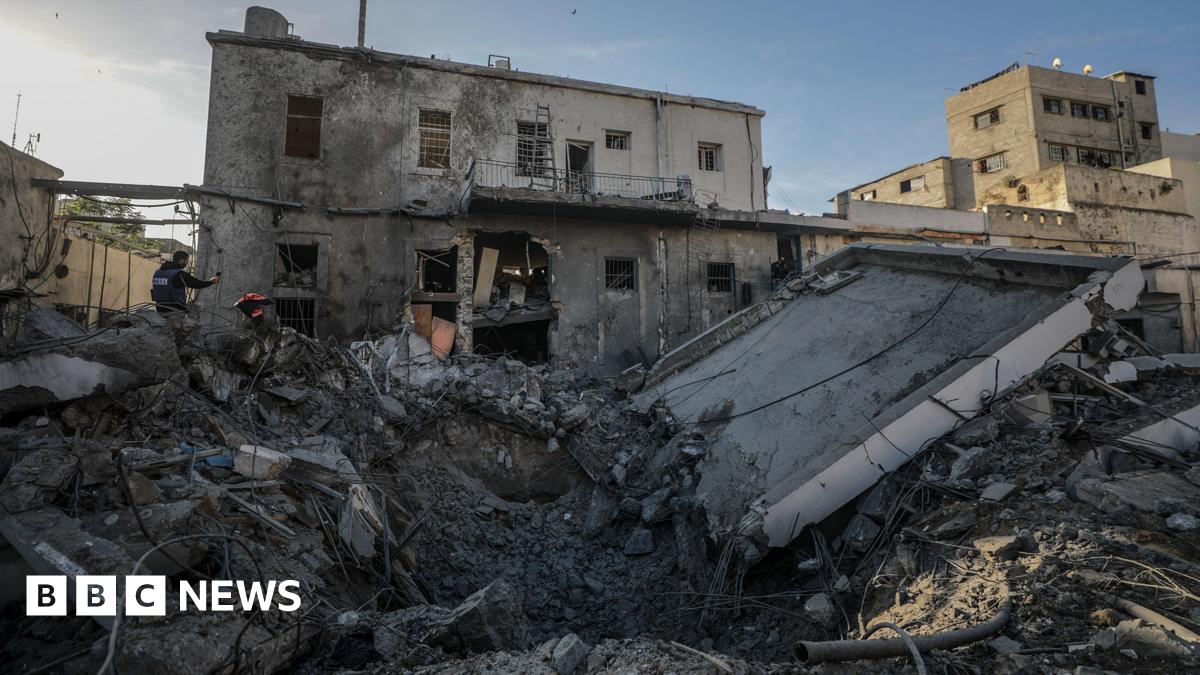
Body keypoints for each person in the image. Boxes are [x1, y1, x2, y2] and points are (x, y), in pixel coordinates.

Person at [151, 251, 220, 313]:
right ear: (181, 260)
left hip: (159, 307)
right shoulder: (179, 274)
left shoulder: (157, 272)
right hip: (175, 309)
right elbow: (197, 284)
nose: (186, 263)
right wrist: (212, 281)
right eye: (186, 260)